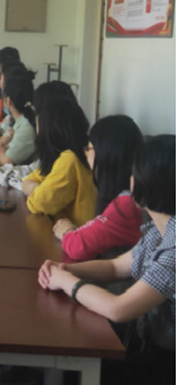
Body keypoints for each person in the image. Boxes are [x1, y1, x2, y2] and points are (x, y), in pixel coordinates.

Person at [39, 135, 175, 385]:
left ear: (148, 183)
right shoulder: (160, 230)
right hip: (145, 342)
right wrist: (65, 269)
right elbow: (116, 266)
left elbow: (118, 308)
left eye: (134, 174)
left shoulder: (173, 251)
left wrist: (66, 281)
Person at [52, 115, 144, 261]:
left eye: (89, 149)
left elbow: (78, 247)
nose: (86, 154)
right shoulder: (126, 196)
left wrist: (67, 231)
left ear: (105, 154)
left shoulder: (126, 206)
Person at [0, 81, 76, 189]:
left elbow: (41, 191)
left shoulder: (68, 158)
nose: (36, 119)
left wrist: (0, 176)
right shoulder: (53, 148)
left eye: (38, 113)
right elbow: (34, 170)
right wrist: (1, 171)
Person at [22, 99, 97, 226]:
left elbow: (39, 203)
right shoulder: (76, 153)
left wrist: (34, 191)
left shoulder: (69, 160)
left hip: (73, 235)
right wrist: (37, 189)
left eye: (38, 125)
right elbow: (30, 179)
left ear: (49, 130)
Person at [0, 71, 37, 166]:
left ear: (8, 101)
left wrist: (1, 153)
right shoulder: (20, 121)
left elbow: (8, 160)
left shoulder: (25, 126)